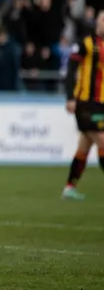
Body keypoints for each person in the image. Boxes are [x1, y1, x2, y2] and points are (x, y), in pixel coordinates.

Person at [62, 10, 104, 200]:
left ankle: (70, 187)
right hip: (85, 103)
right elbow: (70, 70)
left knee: (84, 146)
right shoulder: (85, 44)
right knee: (102, 140)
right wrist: (70, 97)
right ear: (97, 22)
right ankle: (69, 187)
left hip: (101, 104)